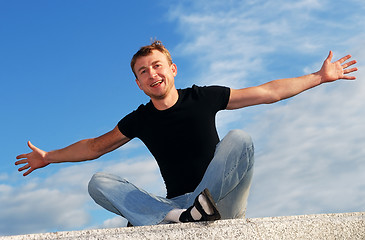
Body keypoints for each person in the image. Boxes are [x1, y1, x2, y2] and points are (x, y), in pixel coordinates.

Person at [15, 41, 357, 227]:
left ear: (172, 69)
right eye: (143, 72)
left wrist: (318, 76)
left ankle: (183, 214)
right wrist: (49, 157)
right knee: (98, 181)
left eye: (157, 66)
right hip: (177, 205)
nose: (152, 74)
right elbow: (94, 146)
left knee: (240, 139)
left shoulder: (203, 97)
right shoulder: (139, 119)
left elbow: (267, 92)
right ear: (138, 83)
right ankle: (178, 217)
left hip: (221, 200)